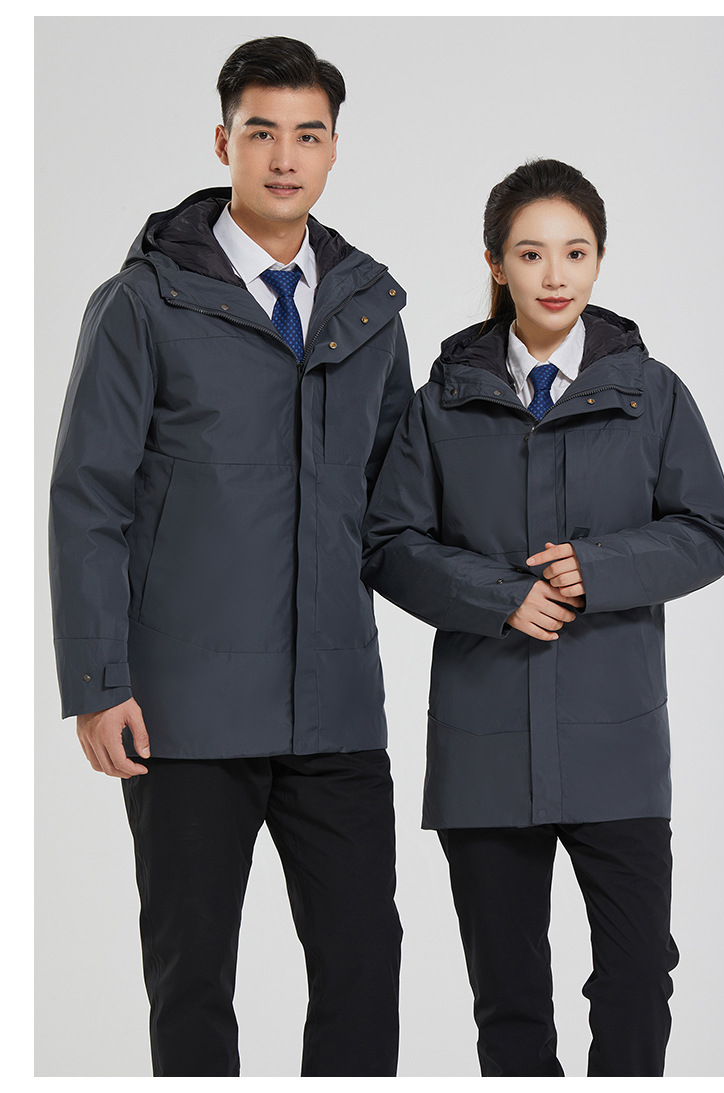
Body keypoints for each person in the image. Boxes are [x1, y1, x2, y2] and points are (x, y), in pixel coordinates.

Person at [49, 36, 412, 1078]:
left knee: (364, 962)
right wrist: (97, 684)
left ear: (334, 148)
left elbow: (396, 508)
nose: (284, 157)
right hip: (183, 709)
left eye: (308, 134)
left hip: (335, 707)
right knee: (192, 974)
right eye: (262, 133)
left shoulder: (369, 310)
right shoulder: (144, 303)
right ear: (224, 143)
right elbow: (88, 497)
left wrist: (508, 584)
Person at [361, 158, 724, 1077]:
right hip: (485, 748)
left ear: (600, 260)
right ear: (496, 264)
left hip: (617, 747)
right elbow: (388, 542)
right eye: (531, 253)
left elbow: (711, 532)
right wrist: (500, 597)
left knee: (637, 980)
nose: (555, 274)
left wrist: (597, 568)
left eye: (575, 252)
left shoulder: (653, 394)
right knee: (509, 1001)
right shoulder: (441, 404)